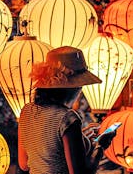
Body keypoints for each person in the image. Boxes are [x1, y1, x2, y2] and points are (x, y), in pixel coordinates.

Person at [18, 46, 116, 174]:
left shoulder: (27, 111)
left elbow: (24, 164)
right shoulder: (67, 118)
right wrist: (101, 147)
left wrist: (80, 139)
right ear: (74, 88)